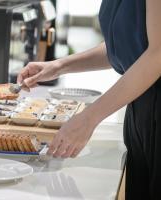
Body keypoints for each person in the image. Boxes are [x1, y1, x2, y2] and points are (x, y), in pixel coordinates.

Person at [17, 0, 161, 199]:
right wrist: (59, 66)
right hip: (140, 106)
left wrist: (88, 119)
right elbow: (125, 43)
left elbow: (158, 54)